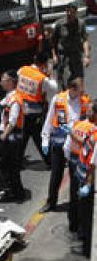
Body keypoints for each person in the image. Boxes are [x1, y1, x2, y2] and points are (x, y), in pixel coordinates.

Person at [40, 76, 92, 214]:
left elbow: (90, 121)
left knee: (75, 176)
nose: (83, 90)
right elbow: (49, 120)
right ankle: (51, 203)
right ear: (72, 88)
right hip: (59, 143)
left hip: (75, 146)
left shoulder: (85, 101)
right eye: (81, 87)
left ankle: (75, 205)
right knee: (56, 174)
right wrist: (45, 140)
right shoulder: (58, 99)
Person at [0, 71, 25, 202]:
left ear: (11, 82)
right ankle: (17, 191)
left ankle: (7, 191)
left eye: (3, 79)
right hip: (10, 135)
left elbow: (12, 120)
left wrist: (4, 135)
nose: (1, 82)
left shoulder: (15, 100)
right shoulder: (9, 96)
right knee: (10, 165)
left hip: (9, 136)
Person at [17, 51, 57, 163]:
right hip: (35, 112)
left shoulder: (22, 70)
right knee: (40, 137)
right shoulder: (42, 79)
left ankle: (17, 161)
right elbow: (54, 88)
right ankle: (50, 161)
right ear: (44, 64)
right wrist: (50, 73)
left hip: (21, 109)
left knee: (23, 136)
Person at [71, 101, 97, 256]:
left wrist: (88, 185)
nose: (87, 113)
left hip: (89, 181)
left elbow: (93, 164)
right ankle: (84, 240)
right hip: (82, 177)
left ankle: (87, 249)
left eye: (90, 111)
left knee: (87, 216)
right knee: (83, 212)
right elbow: (85, 145)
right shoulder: (93, 130)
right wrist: (72, 133)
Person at [51, 3, 91, 85]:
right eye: (67, 11)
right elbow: (53, 42)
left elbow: (85, 40)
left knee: (79, 80)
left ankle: (79, 96)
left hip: (76, 56)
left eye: (72, 12)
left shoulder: (81, 24)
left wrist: (87, 56)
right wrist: (54, 56)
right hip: (63, 57)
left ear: (76, 12)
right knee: (65, 81)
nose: (69, 14)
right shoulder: (59, 24)